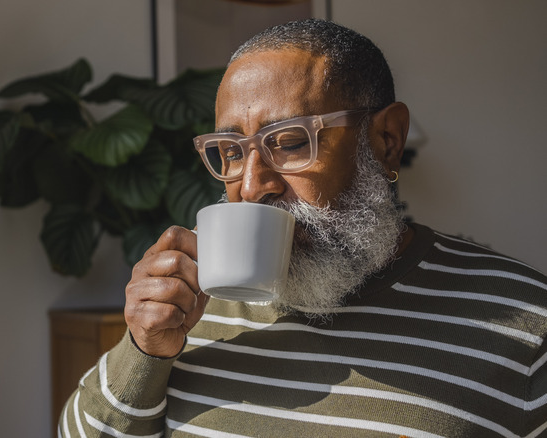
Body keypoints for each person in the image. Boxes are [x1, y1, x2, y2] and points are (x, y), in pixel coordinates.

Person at [58, 19, 547, 437]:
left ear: (386, 139)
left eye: (290, 143)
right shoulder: (190, 303)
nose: (251, 187)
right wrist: (145, 350)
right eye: (230, 152)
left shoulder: (524, 324)